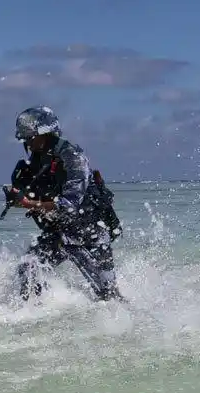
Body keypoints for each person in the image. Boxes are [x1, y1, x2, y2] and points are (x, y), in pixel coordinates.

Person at [7, 106, 124, 302]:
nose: (28, 143)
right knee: (29, 269)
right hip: (59, 231)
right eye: (25, 139)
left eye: (31, 138)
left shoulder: (73, 157)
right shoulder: (35, 162)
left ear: (47, 133)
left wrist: (29, 203)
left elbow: (69, 205)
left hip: (90, 232)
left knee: (107, 295)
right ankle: (34, 313)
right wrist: (17, 198)